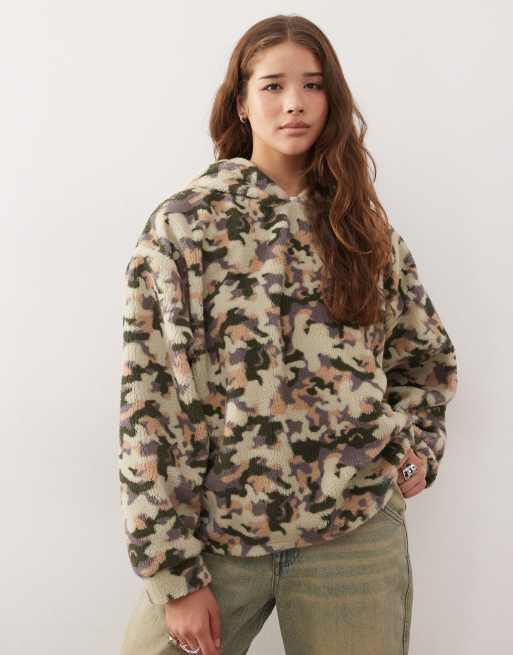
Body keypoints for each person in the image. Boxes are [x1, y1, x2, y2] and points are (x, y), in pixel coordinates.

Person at [118, 13, 458, 655]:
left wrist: (416, 450)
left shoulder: (363, 229)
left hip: (353, 535)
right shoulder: (186, 226)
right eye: (273, 85)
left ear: (333, 99)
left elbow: (424, 362)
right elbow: (150, 404)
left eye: (313, 84)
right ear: (241, 103)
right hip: (219, 537)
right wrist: (172, 572)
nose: (295, 102)